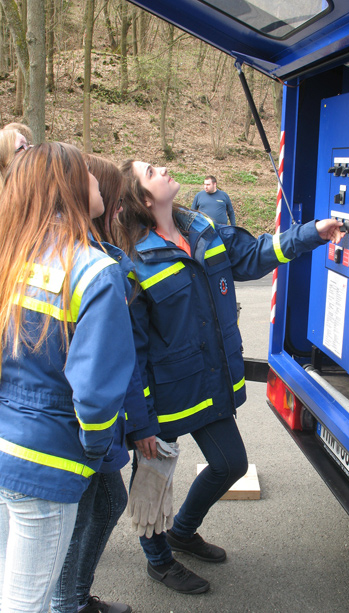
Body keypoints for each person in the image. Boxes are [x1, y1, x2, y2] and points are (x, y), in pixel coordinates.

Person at [117, 160, 345, 595]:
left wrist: (312, 232)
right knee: (152, 482)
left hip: (206, 384)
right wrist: (141, 423)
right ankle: (159, 561)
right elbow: (133, 354)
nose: (163, 168)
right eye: (151, 171)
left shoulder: (202, 228)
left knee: (230, 464)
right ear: (144, 199)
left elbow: (255, 255)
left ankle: (182, 531)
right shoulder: (134, 262)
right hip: (164, 395)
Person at [0, 143, 137, 613]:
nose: (100, 181)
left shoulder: (10, 254)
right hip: (48, 460)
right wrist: (95, 450)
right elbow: (96, 396)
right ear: (72, 187)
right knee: (28, 602)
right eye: (91, 175)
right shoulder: (95, 271)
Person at [50, 153, 159, 613]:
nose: (114, 206)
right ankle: (67, 601)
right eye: (102, 190)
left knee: (108, 500)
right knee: (89, 510)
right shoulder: (97, 268)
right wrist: (103, 439)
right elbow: (110, 365)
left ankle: (74, 597)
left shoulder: (104, 257)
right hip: (81, 429)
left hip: (90, 425)